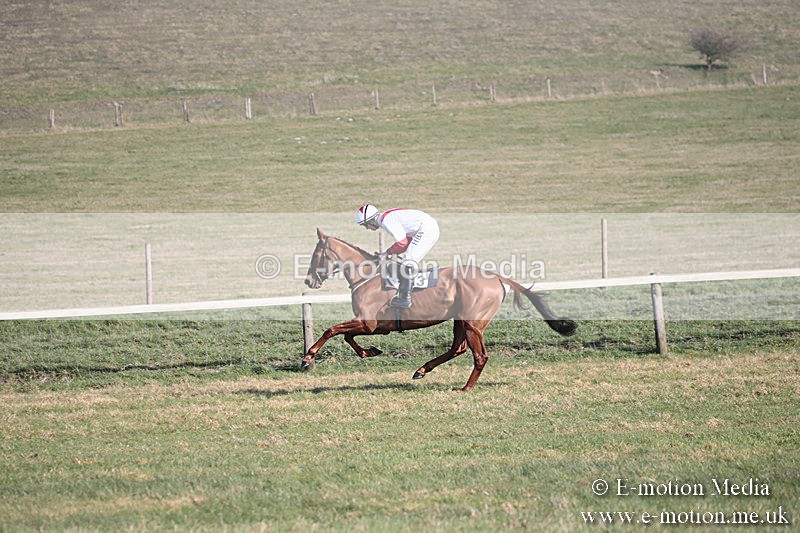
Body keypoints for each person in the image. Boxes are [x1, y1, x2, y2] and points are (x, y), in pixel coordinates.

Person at [355, 204, 440, 309]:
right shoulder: (386, 218)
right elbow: (406, 241)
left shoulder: (386, 221)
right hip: (428, 227)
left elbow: (402, 243)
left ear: (371, 221)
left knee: (408, 260)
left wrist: (387, 253)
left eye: (365, 225)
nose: (367, 228)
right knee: (407, 259)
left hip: (426, 230)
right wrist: (390, 254)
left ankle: (405, 299)